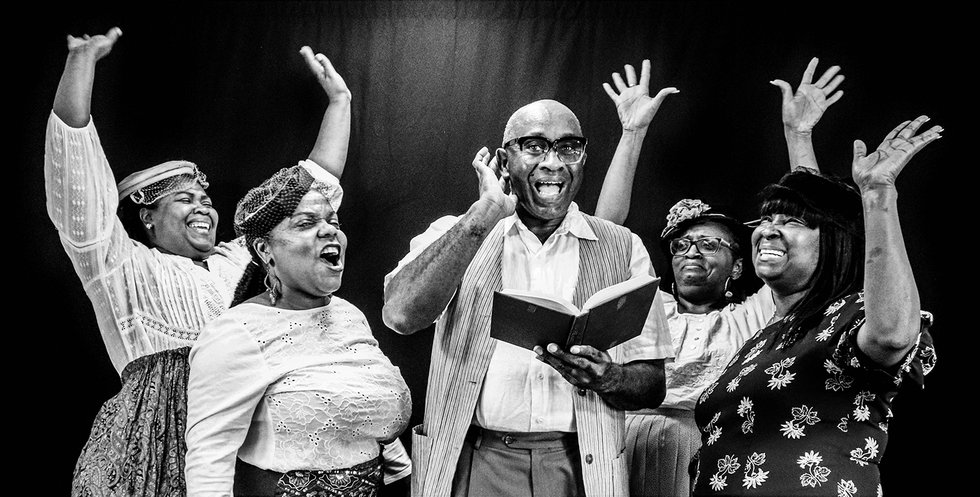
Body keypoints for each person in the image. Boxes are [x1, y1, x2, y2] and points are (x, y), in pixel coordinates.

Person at [43, 26, 394, 495]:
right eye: (185, 199)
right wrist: (81, 62)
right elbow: (78, 185)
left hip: (249, 423)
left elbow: (312, 191)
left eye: (206, 198)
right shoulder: (123, 268)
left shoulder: (241, 258)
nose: (204, 207)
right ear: (147, 217)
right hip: (156, 436)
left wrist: (340, 103)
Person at [381, 83, 678, 496]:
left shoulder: (623, 247)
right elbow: (400, 315)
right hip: (475, 462)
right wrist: (483, 215)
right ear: (505, 159)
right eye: (535, 146)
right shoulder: (460, 231)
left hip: (582, 468)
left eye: (568, 148)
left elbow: (652, 384)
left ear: (583, 157)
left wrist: (607, 376)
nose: (553, 163)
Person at [592, 57, 844, 497]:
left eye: (710, 244)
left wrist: (798, 135)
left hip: (707, 458)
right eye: (682, 244)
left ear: (739, 265)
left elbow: (813, 240)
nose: (692, 252)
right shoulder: (643, 307)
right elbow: (603, 238)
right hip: (616, 450)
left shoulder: (753, 316)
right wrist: (631, 134)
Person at [692, 115, 941, 496]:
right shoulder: (763, 337)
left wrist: (877, 194)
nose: (769, 229)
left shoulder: (849, 316)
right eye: (766, 218)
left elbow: (891, 336)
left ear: (834, 244)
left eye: (793, 221)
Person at [184, 157, 412, 496]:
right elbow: (208, 465)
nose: (329, 229)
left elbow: (363, 414)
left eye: (332, 220)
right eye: (305, 223)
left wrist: (404, 476)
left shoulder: (350, 315)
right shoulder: (235, 333)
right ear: (265, 250)